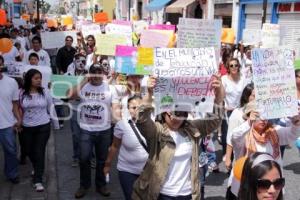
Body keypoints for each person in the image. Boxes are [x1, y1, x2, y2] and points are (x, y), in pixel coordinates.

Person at [132, 75, 225, 200]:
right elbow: (141, 119)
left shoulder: (192, 129)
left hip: (187, 193)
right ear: (165, 112)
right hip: (163, 193)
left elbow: (215, 120)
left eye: (183, 114)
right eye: (175, 114)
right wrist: (149, 94)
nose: (178, 119)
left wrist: (218, 95)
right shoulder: (157, 131)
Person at [68, 65, 120, 198]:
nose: (96, 75)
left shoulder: (110, 88)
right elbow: (69, 95)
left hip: (104, 131)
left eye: (99, 72)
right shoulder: (84, 86)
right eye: (93, 72)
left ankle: (101, 185)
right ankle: (84, 185)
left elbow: (115, 107)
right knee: (84, 158)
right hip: (86, 130)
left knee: (102, 160)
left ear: (103, 73)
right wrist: (85, 80)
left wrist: (119, 120)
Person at [19, 69, 59, 192]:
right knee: (28, 150)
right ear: (29, 79)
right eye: (36, 78)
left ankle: (38, 179)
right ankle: (37, 167)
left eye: (40, 78)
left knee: (39, 151)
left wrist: (56, 124)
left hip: (43, 126)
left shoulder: (45, 92)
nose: (38, 80)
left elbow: (51, 108)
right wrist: (18, 122)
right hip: (27, 126)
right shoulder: (21, 93)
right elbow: (18, 108)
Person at [104, 95, 148, 200]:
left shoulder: (154, 124)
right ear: (128, 109)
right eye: (133, 107)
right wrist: (107, 164)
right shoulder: (121, 125)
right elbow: (114, 146)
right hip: (127, 170)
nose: (137, 110)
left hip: (149, 171)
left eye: (140, 107)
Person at [225, 83, 255, 199]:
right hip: (240, 156)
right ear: (247, 96)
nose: (256, 98)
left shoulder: (262, 113)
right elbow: (230, 137)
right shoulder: (237, 113)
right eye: (253, 95)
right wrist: (228, 158)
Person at [0, 55, 21, 184]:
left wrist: (18, 119)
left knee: (11, 150)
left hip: (7, 123)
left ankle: (12, 173)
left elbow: (15, 103)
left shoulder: (11, 82)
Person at [221, 58, 248, 157]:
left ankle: (239, 155)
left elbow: (246, 94)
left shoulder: (243, 78)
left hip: (241, 110)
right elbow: (221, 96)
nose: (234, 67)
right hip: (228, 111)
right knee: (227, 135)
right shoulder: (224, 79)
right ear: (228, 67)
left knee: (240, 134)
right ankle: (227, 155)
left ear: (239, 66)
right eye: (231, 65)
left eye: (236, 65)